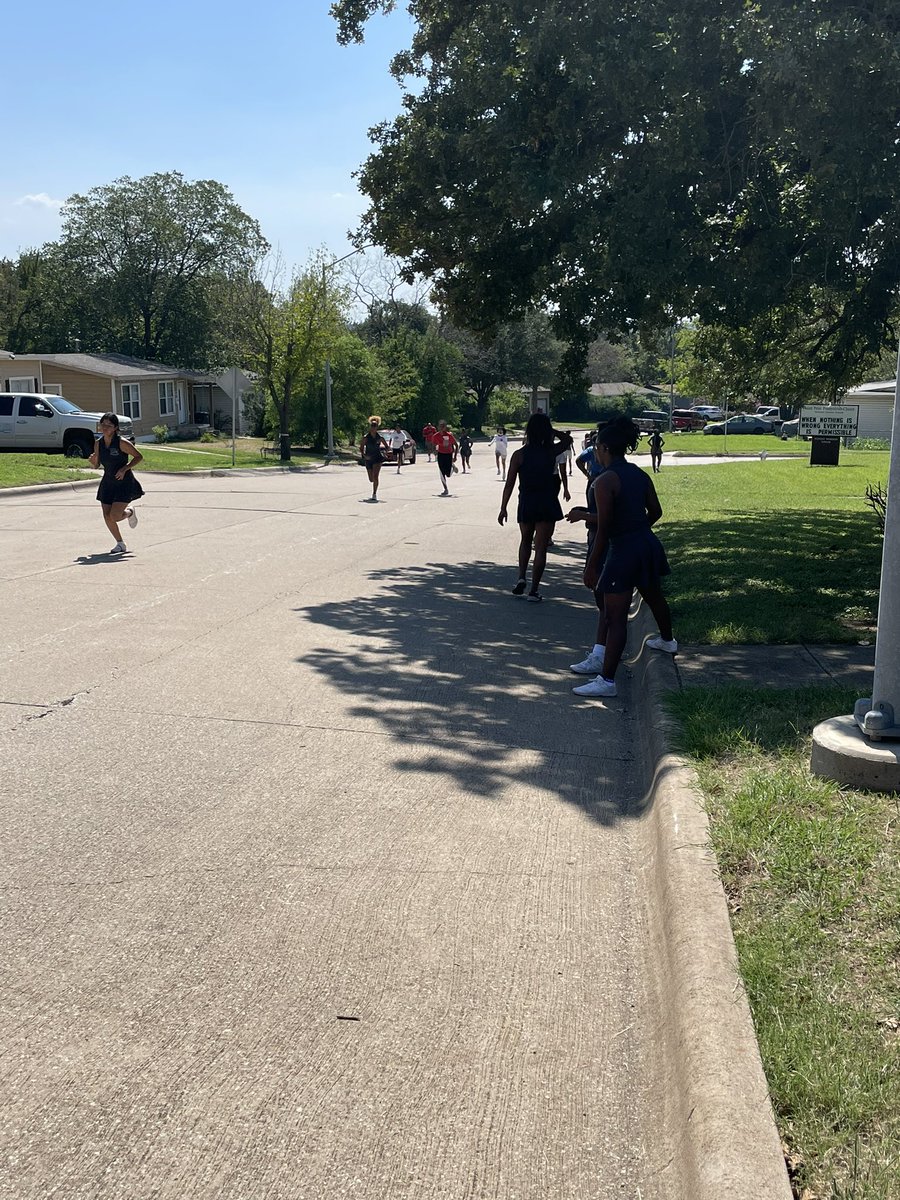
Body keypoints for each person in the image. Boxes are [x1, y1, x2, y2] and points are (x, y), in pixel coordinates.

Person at [571, 416, 677, 699]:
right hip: (647, 544)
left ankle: (606, 681)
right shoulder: (639, 475)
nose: (595, 451)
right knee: (654, 596)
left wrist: (592, 566)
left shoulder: (605, 481)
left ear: (604, 448)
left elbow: (604, 528)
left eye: (596, 448)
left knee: (615, 616)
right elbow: (656, 512)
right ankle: (668, 641)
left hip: (622, 551)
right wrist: (637, 528)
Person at [498, 414, 572, 602]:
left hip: (527, 501)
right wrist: (551, 431)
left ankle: (521, 576)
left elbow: (510, 483)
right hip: (546, 500)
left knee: (525, 540)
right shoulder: (550, 452)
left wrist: (503, 507)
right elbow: (568, 440)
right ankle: (534, 590)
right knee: (541, 547)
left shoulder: (519, 455)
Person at [89, 412, 144, 555]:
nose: (105, 428)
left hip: (123, 482)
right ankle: (120, 543)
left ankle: (130, 512)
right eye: (103, 425)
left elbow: (139, 457)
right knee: (107, 515)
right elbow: (97, 466)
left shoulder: (121, 442)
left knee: (115, 515)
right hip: (107, 482)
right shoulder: (98, 443)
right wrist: (93, 462)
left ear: (115, 428)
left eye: (109, 425)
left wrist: (125, 468)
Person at [360, 416, 390, 501]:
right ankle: (374, 485)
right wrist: (364, 455)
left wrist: (387, 451)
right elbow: (361, 448)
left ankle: (374, 493)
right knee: (371, 479)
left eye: (375, 426)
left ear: (377, 427)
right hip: (369, 459)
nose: (373, 427)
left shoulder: (380, 438)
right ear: (370, 427)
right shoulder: (366, 438)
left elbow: (387, 447)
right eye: (372, 426)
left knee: (376, 476)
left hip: (377, 458)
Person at [431, 419, 459, 495]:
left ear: (445, 427)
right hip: (440, 454)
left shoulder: (449, 435)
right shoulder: (436, 436)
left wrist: (455, 456)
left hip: (448, 454)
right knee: (441, 472)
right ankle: (445, 489)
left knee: (448, 475)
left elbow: (456, 445)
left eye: (443, 427)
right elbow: (433, 444)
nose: (441, 428)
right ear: (438, 427)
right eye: (440, 426)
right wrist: (434, 451)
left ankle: (452, 467)